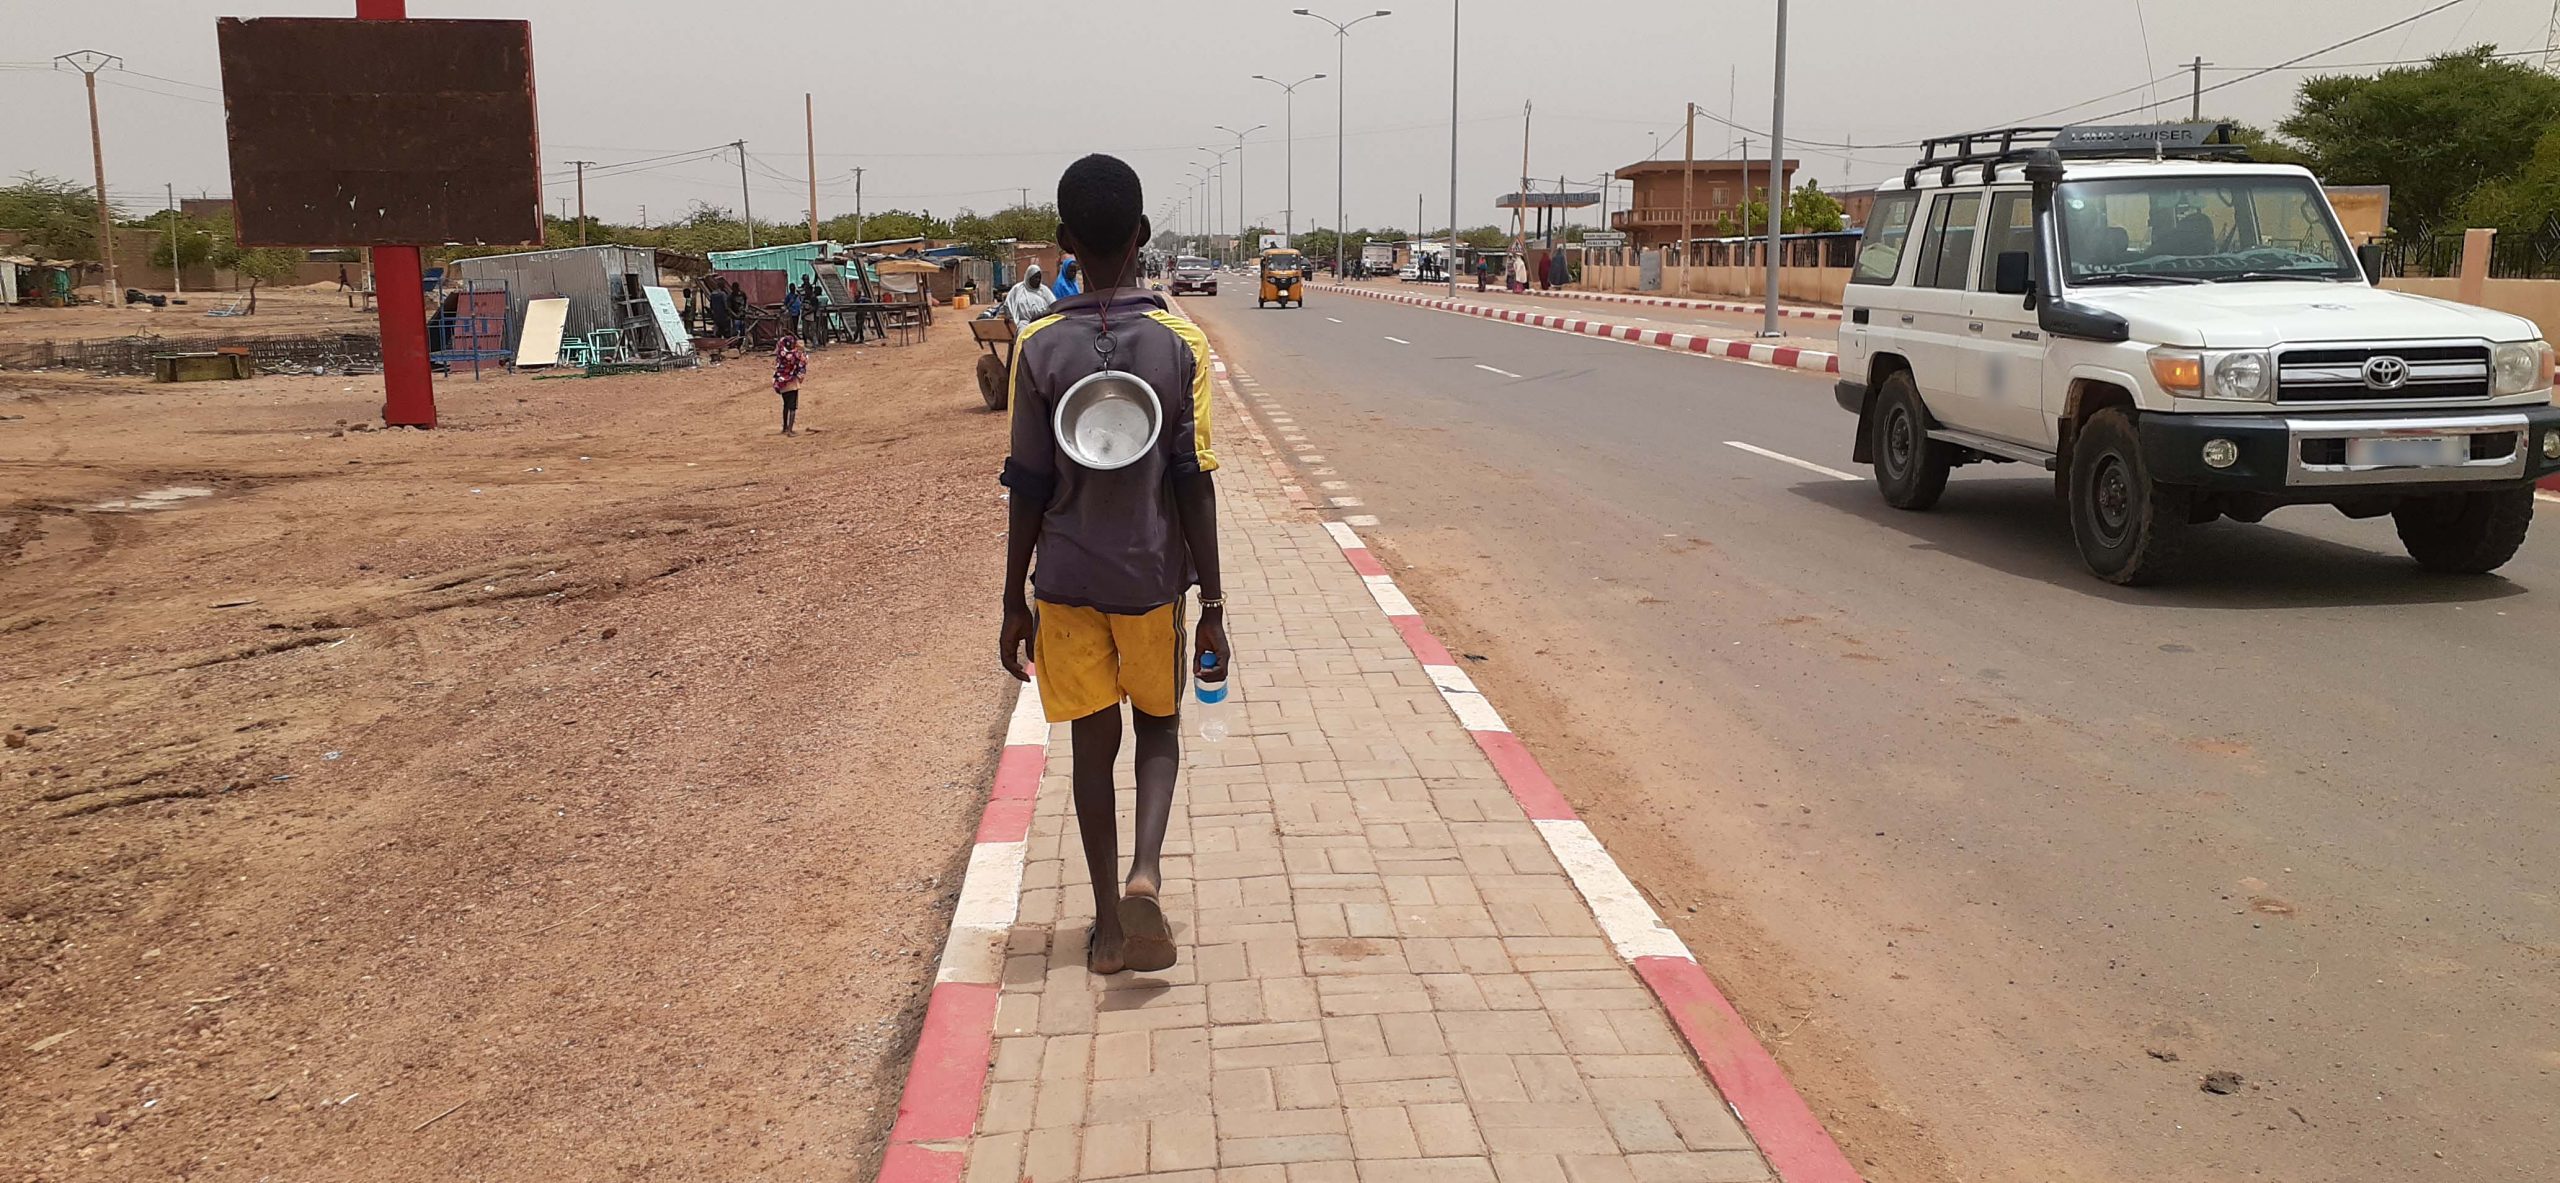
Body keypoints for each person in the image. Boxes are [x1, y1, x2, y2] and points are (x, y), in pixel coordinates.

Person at [1000, 153, 1226, 976]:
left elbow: (1025, 482)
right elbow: (1191, 479)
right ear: (1142, 238)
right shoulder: (1180, 342)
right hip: (1152, 580)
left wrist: (1011, 601)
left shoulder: (1038, 345)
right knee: (1158, 726)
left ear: (1062, 243)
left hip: (1064, 583)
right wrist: (1215, 603)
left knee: (1091, 747)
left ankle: (1104, 927)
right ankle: (1146, 870)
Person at [771, 334, 808, 436]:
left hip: (782, 383)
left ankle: (784, 427)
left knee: (786, 405)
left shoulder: (781, 354)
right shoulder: (795, 355)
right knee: (793, 407)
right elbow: (803, 361)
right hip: (791, 383)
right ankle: (790, 431)